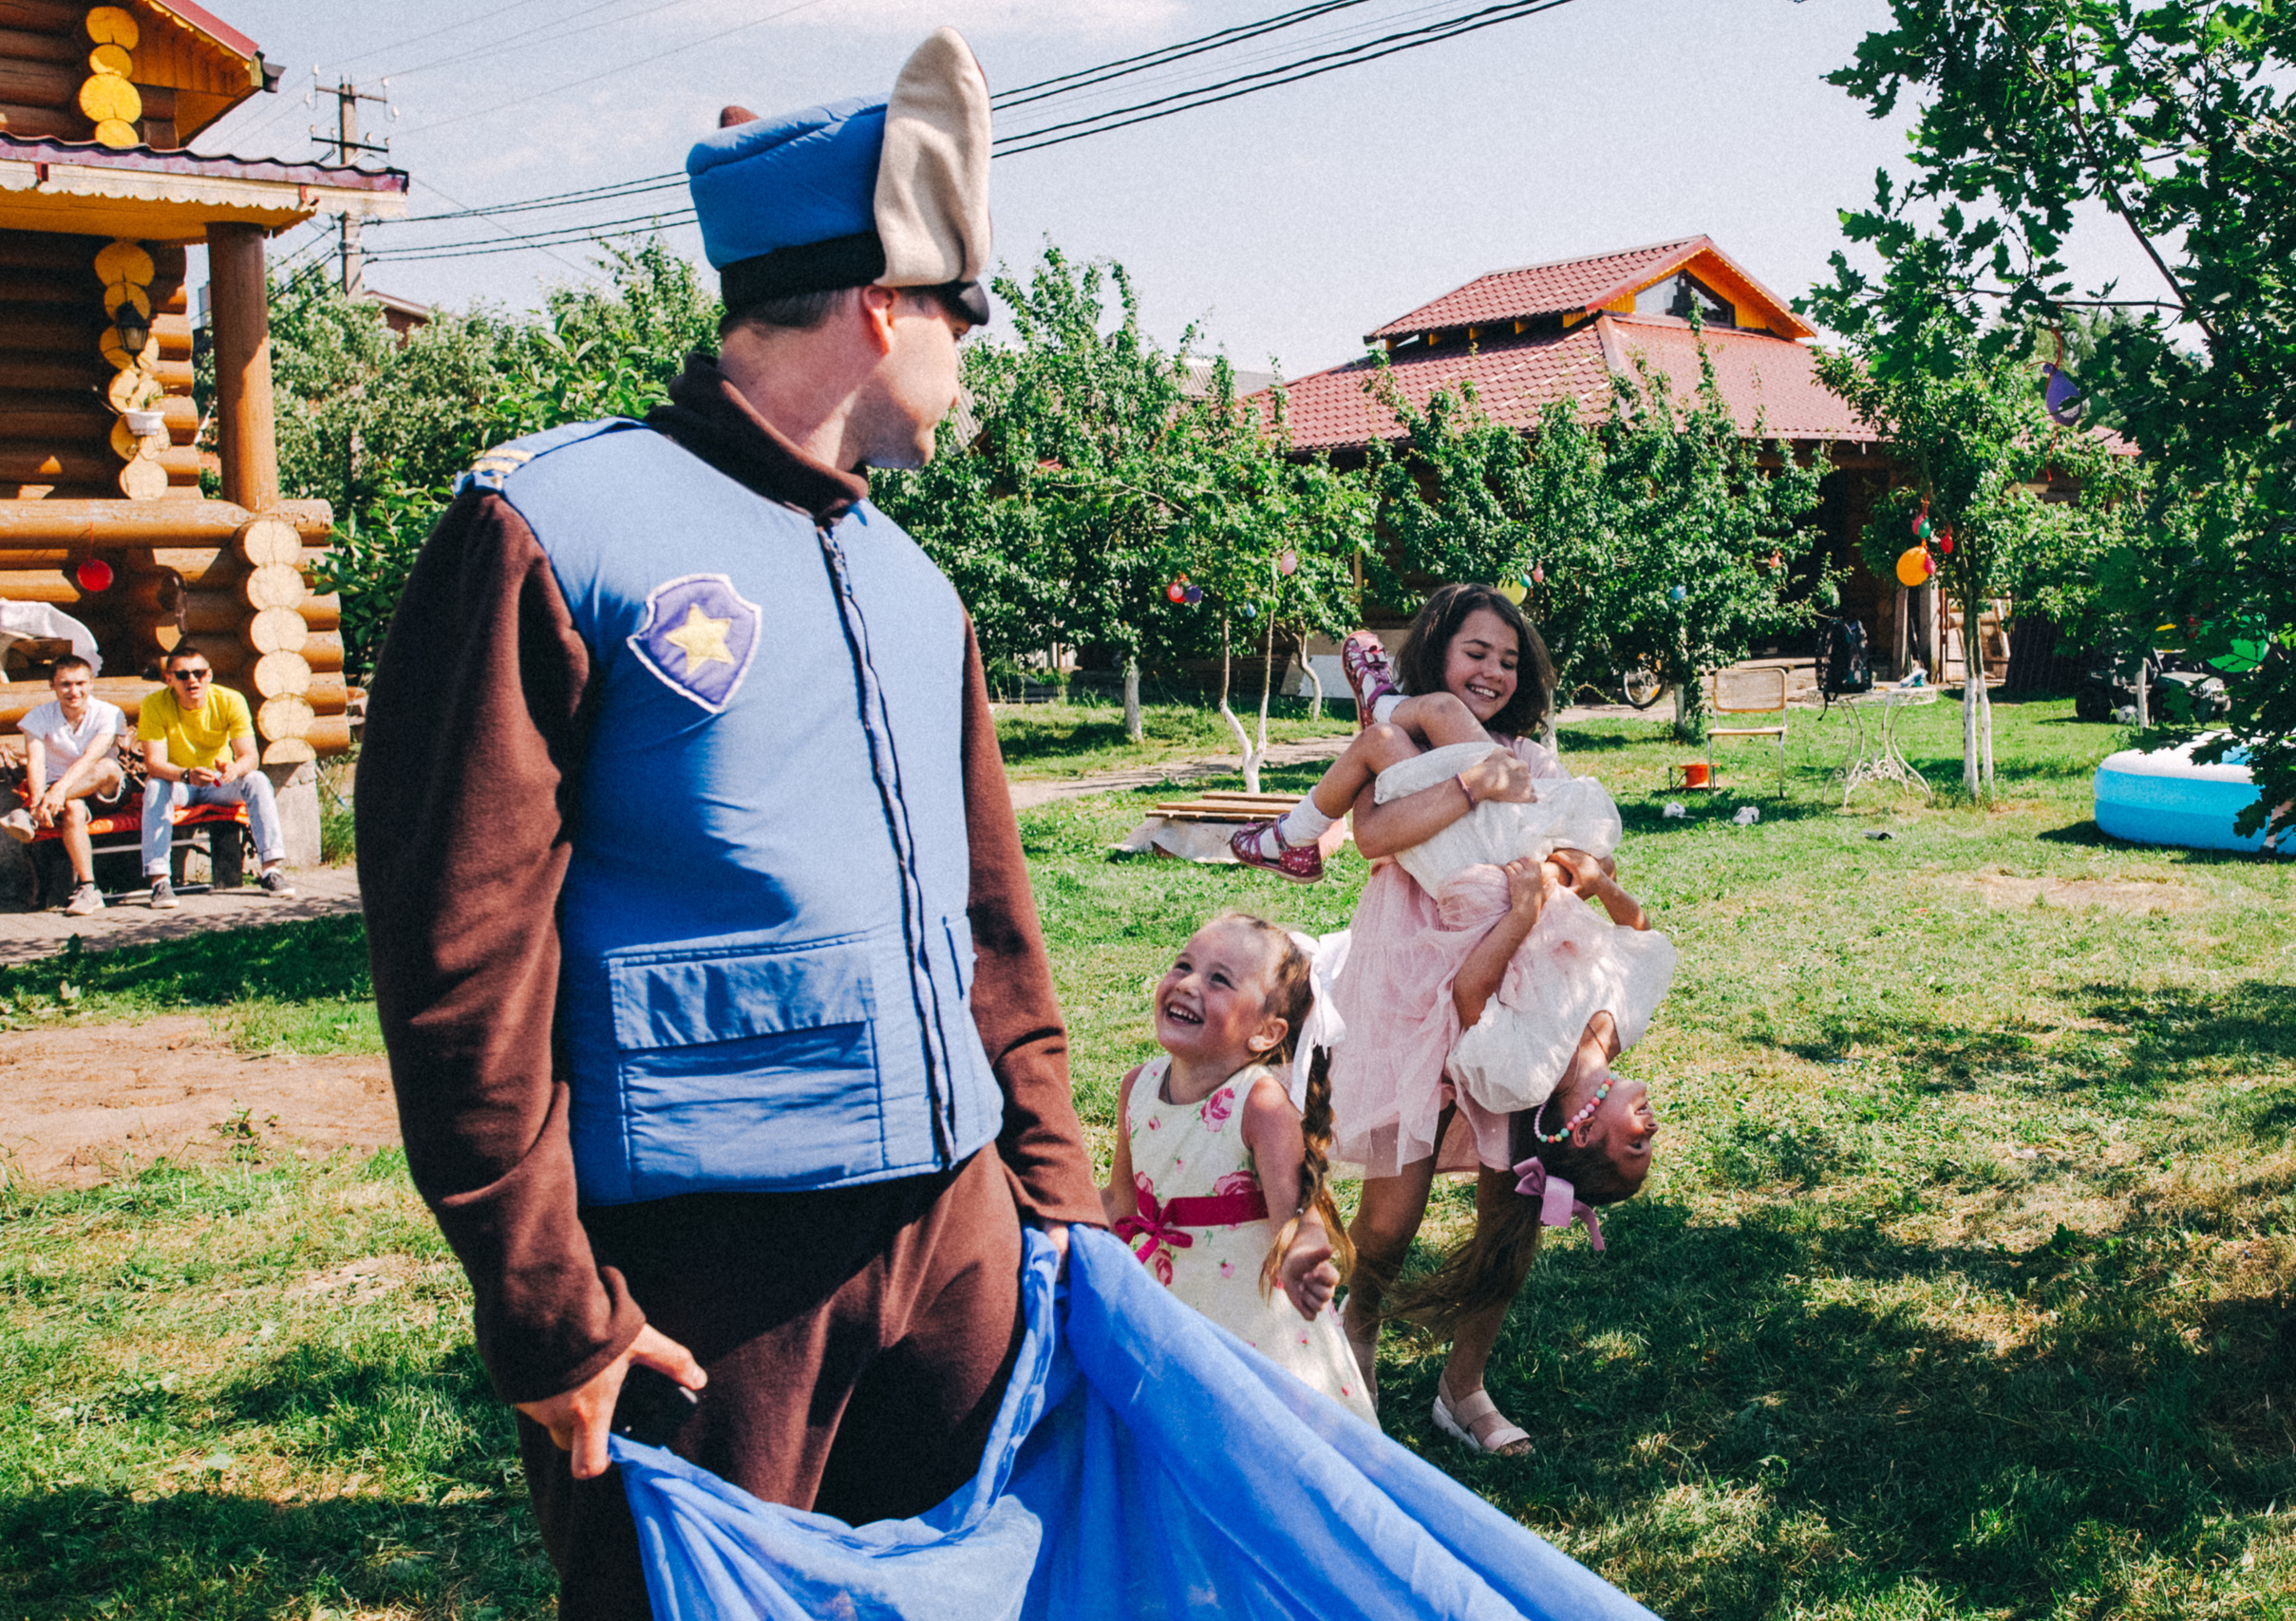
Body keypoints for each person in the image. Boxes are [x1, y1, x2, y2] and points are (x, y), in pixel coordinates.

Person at [354, 31, 1102, 1620]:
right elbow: (459, 956)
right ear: (885, 305)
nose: (973, 359)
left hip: (958, 1239)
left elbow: (991, 933)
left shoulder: (918, 586)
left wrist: (1058, 1217)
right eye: (966, 317)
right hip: (703, 1272)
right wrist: (550, 1309)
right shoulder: (550, 525)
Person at [1327, 583, 1665, 1458]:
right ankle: (1351, 1344)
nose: (1494, 670)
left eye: (1510, 660)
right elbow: (1375, 831)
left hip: (1522, 995)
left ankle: (1463, 1384)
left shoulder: (1532, 757)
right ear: (1436, 653)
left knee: (1508, 1199)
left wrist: (1586, 863)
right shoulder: (1408, 744)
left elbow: (1587, 850)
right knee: (1392, 1215)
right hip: (1413, 977)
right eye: (1476, 651)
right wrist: (1477, 785)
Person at [1102, 912, 1377, 1423]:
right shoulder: (1135, 1087)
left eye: (1218, 979)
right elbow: (1121, 1202)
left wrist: (1305, 1258)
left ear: (1265, 1034)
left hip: (1247, 1322)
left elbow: (1298, 1214)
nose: (1186, 984)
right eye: (1183, 964)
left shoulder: (1261, 1104)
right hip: (1162, 1303)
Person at [137, 642, 287, 909]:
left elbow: (250, 757)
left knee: (257, 779)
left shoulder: (230, 700)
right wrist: (186, 775)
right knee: (155, 786)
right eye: (183, 675)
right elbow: (154, 763)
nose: (192, 680)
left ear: (210, 675)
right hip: (180, 783)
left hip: (219, 783)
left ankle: (271, 870)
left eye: (199, 673)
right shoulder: (154, 704)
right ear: (169, 679)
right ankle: (160, 881)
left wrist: (234, 769)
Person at [5, 656, 127, 916]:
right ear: (52, 685)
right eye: (65, 684)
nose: (74, 691)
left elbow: (91, 757)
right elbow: (36, 763)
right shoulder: (37, 716)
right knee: (72, 809)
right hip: (58, 799)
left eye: (80, 683)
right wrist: (43, 798)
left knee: (106, 767)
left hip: (103, 791)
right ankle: (89, 888)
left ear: (92, 683)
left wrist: (55, 792)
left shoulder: (108, 713)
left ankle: (29, 815)